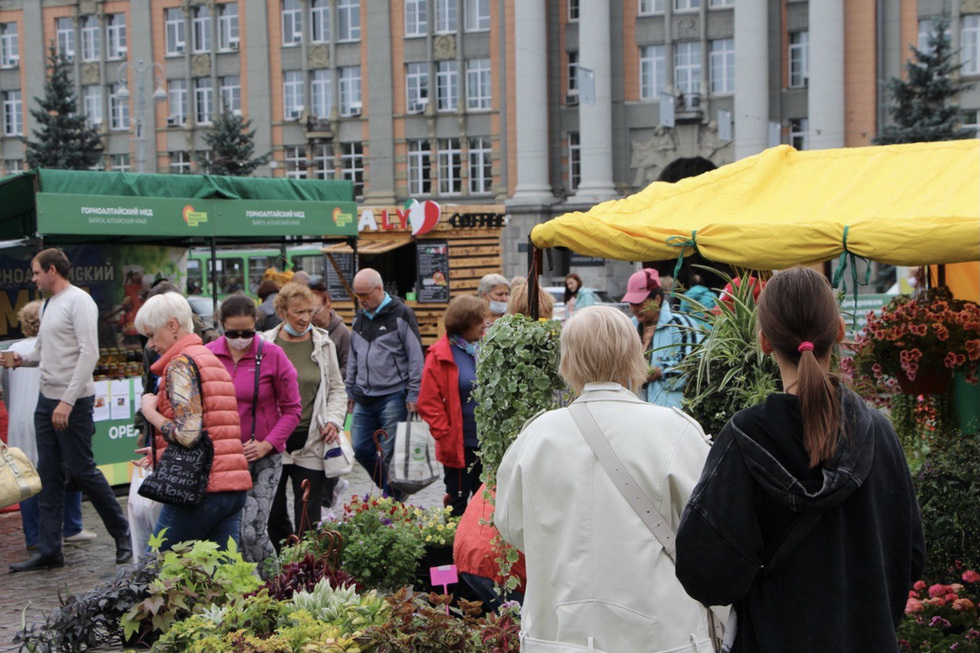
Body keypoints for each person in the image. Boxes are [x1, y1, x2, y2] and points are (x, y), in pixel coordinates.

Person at [675, 267, 926, 653]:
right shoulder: (877, 432)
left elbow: (705, 572)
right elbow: (910, 558)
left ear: (763, 341)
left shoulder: (744, 439)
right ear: (840, 331)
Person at [495, 306, 714, 652]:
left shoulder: (536, 436)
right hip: (662, 632)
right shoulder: (675, 431)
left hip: (561, 632)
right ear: (635, 355)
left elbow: (511, 526)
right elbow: (708, 531)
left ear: (567, 361)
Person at [7, 249, 132, 572]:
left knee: (82, 470)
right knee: (47, 473)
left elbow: (88, 355)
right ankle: (50, 550)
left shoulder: (79, 301)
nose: (33, 279)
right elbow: (42, 350)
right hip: (48, 399)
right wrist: (22, 359)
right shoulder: (49, 304)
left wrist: (67, 400)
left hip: (72, 401)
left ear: (51, 270)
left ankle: (123, 535)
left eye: (36, 273)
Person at [135, 292, 252, 551]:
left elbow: (188, 434)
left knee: (152, 567)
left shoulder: (181, 365)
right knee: (223, 577)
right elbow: (213, 426)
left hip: (201, 489)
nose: (150, 345)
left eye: (152, 335)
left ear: (172, 326)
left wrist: (149, 411)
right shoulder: (209, 358)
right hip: (232, 485)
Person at [206, 294, 301, 575]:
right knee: (227, 533)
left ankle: (275, 586)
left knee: (252, 532)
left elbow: (293, 409)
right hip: (222, 458)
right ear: (220, 325)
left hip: (263, 459)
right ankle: (245, 588)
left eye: (247, 332)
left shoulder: (273, 355)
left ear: (256, 325)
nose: (239, 338)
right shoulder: (208, 354)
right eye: (232, 333)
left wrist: (267, 444)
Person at [1, 300, 95, 552]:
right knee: (66, 467)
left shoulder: (13, 350)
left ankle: (33, 535)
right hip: (52, 414)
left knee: (26, 475)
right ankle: (71, 526)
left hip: (21, 418)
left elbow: (7, 390)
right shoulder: (57, 349)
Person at [264, 282, 347, 550]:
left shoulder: (323, 343)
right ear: (282, 312)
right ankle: (282, 564)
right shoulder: (265, 343)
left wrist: (334, 420)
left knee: (309, 515)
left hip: (311, 440)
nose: (304, 318)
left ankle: (304, 569)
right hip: (272, 442)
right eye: (298, 312)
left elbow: (336, 387)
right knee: (273, 513)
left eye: (309, 311)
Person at [345, 268, 424, 497]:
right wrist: (350, 388)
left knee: (390, 452)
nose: (361, 300)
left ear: (379, 289)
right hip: (363, 395)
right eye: (357, 296)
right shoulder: (360, 317)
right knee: (359, 448)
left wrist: (413, 392)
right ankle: (392, 488)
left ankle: (392, 502)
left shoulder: (402, 314)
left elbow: (415, 356)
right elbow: (354, 355)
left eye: (365, 295)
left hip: (394, 394)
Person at [418, 295, 489, 517]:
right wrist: (445, 435)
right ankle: (454, 550)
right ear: (465, 323)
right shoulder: (440, 355)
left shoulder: (485, 349)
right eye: (480, 321)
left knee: (486, 506)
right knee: (457, 503)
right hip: (458, 446)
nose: (484, 325)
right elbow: (428, 403)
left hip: (486, 445)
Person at [621, 268, 701, 409]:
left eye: (639, 303)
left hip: (672, 412)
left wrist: (659, 372)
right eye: (631, 303)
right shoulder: (628, 327)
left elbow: (695, 370)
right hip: (634, 410)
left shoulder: (681, 326)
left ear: (657, 300)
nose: (633, 309)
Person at [454, 483, 526, 613]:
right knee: (529, 626)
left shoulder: (502, 471)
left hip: (469, 551)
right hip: (501, 565)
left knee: (508, 623)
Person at [310, 282, 351, 378]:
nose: (311, 316)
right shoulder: (308, 330)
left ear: (328, 305)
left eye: (316, 311)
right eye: (309, 311)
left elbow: (347, 366)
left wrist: (328, 381)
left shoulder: (342, 332)